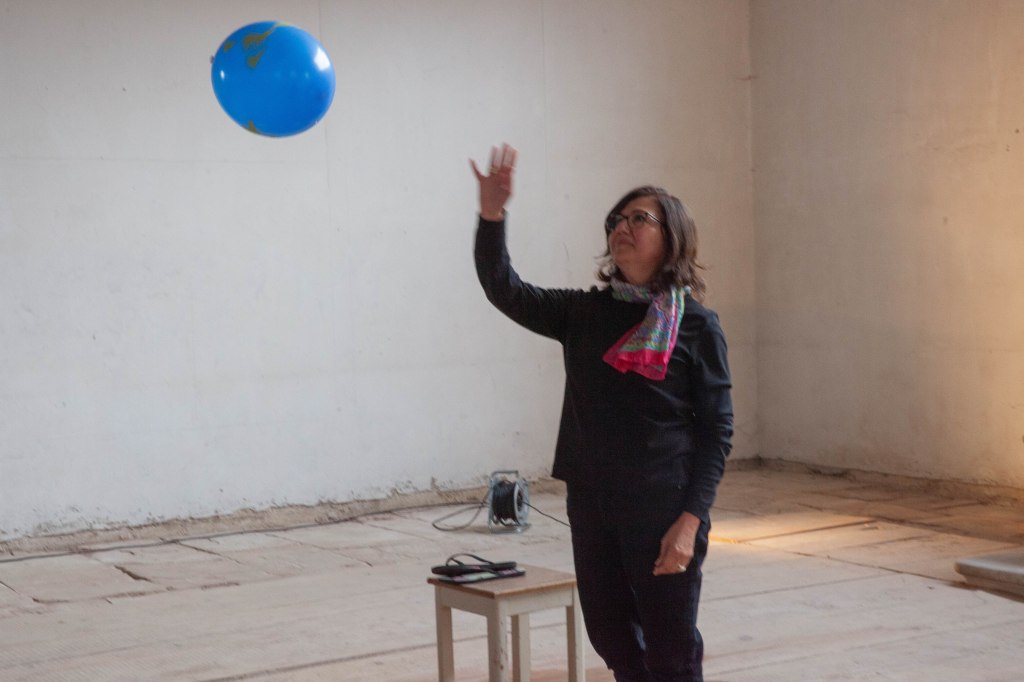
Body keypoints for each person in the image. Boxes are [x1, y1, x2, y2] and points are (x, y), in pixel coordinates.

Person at [471, 143, 734, 682]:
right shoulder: (583, 312)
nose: (623, 227)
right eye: (617, 219)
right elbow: (504, 288)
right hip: (592, 502)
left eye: (640, 219)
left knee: (671, 649)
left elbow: (717, 431)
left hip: (663, 504)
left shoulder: (697, 325)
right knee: (612, 637)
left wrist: (690, 521)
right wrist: (492, 216)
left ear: (672, 237)